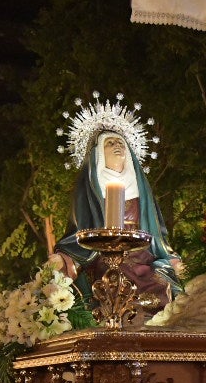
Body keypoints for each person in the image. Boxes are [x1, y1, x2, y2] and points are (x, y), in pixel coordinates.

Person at [55, 126, 182, 303]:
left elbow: (156, 233)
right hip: (102, 257)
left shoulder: (140, 190)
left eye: (121, 143)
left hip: (141, 257)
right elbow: (77, 234)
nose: (118, 146)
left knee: (161, 288)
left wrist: (170, 258)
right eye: (110, 143)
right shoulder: (91, 189)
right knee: (111, 289)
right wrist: (65, 257)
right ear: (99, 153)